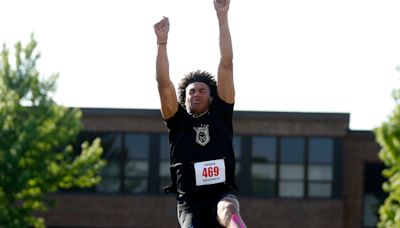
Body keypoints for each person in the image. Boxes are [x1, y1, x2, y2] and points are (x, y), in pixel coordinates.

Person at [153, 0, 246, 227]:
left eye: (202, 91)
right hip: (190, 202)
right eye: (191, 92)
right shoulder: (177, 121)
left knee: (227, 210)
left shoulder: (221, 113)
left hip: (221, 194)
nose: (196, 94)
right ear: (184, 99)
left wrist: (222, 17)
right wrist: (161, 42)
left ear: (212, 97)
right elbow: (163, 83)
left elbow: (226, 63)